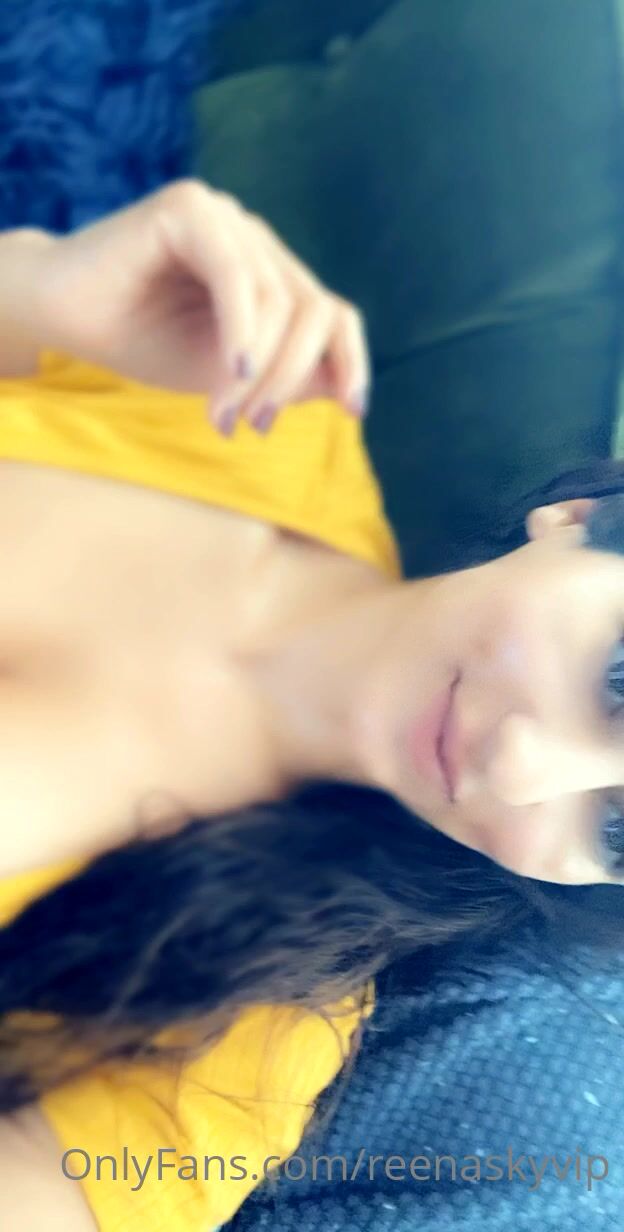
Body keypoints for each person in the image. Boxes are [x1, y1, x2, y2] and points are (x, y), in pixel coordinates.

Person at [0, 177, 623, 1230]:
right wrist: (34, 289)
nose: (518, 766)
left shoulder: (244, 1033)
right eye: (617, 678)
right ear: (577, 518)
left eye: (616, 832)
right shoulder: (259, 396)